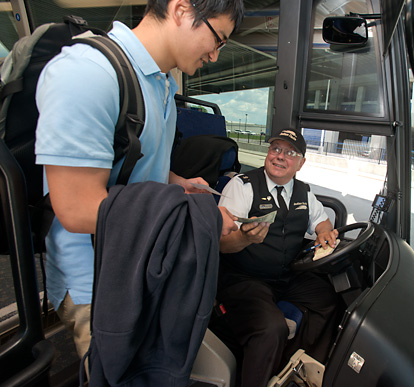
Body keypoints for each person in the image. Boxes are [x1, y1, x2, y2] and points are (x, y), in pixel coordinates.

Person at [34, 0, 244, 360]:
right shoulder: (89, 72)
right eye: (217, 39)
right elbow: (76, 208)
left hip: (139, 263)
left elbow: (134, 170)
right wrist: (201, 218)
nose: (214, 56)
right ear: (181, 10)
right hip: (98, 281)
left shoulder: (161, 84)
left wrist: (174, 181)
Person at [217, 128, 341, 387]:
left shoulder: (304, 193)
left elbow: (322, 221)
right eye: (275, 149)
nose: (280, 156)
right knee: (271, 329)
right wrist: (245, 238)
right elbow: (220, 244)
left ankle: (289, 366)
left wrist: (324, 233)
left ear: (301, 163)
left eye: (290, 152)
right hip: (243, 278)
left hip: (286, 276)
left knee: (330, 300)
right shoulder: (242, 186)